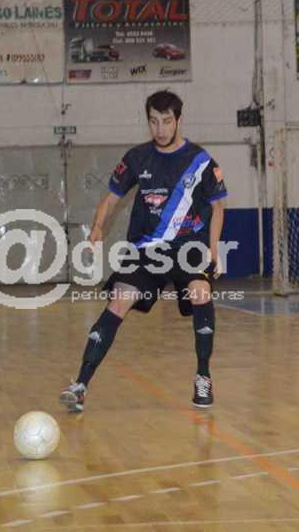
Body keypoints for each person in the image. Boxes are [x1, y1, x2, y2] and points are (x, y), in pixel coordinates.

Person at [59, 90, 228, 413]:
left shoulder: (201, 161)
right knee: (118, 301)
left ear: (179, 120)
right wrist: (97, 228)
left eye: (166, 121)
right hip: (146, 249)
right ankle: (80, 385)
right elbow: (111, 198)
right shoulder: (137, 158)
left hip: (189, 247)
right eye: (153, 121)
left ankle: (203, 376)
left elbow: (218, 207)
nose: (160, 129)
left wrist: (213, 249)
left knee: (200, 292)